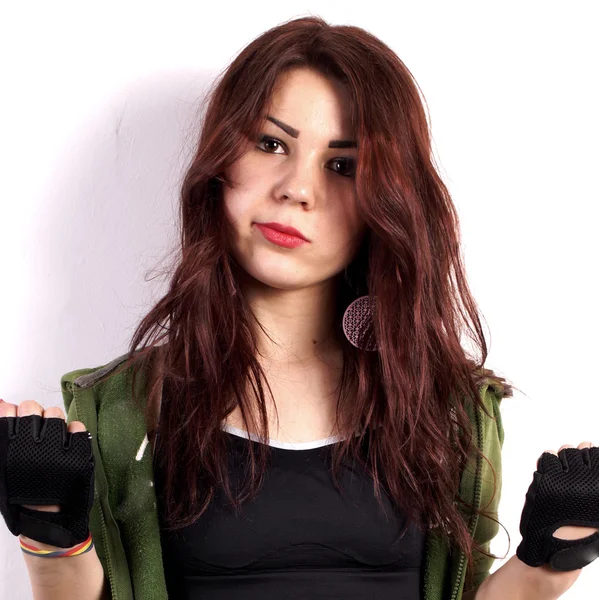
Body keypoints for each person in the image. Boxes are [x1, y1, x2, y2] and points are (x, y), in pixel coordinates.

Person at [2, 15, 598, 600]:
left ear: (385, 202)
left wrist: (550, 559)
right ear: (221, 161)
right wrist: (48, 524)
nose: (297, 188)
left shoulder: (446, 405)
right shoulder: (126, 405)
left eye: (343, 165)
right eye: (271, 143)